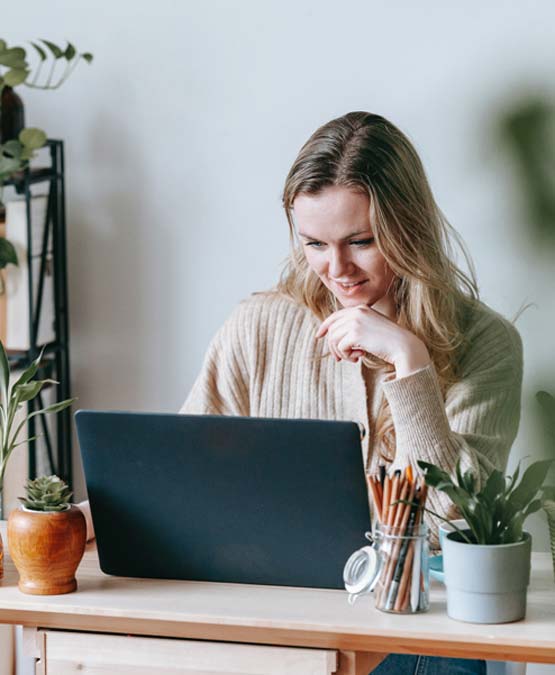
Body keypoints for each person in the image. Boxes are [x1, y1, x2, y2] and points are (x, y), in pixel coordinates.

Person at [79, 111, 523, 675]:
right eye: (314, 243)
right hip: (281, 622)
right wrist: (78, 518)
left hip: (418, 631)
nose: (336, 269)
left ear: (407, 228)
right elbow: (186, 482)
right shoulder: (259, 325)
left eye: (361, 242)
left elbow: (458, 521)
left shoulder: (486, 343)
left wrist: (409, 362)